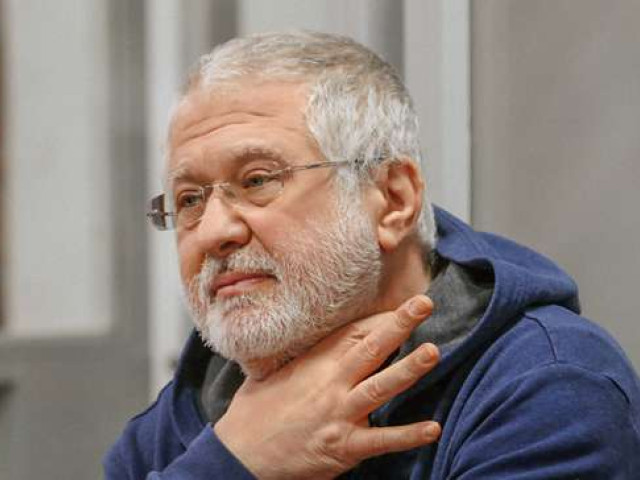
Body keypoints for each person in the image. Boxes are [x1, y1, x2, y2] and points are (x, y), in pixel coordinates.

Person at [104, 31, 640, 479]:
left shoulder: (545, 387)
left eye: (258, 180)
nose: (213, 231)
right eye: (189, 200)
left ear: (392, 200)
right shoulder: (178, 419)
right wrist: (233, 460)